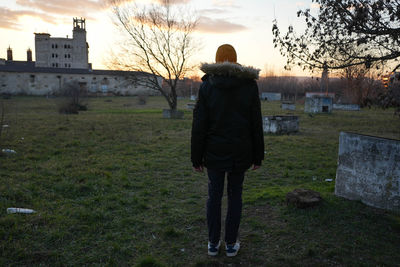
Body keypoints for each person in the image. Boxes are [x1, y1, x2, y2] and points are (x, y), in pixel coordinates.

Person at [191, 44, 264, 257]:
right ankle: (231, 244)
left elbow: (199, 125)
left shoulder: (206, 87)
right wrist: (258, 155)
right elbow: (255, 123)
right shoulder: (249, 86)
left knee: (214, 196)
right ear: (235, 60)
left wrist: (196, 158)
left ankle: (213, 244)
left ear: (216, 60)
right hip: (241, 153)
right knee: (235, 196)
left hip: (213, 152)